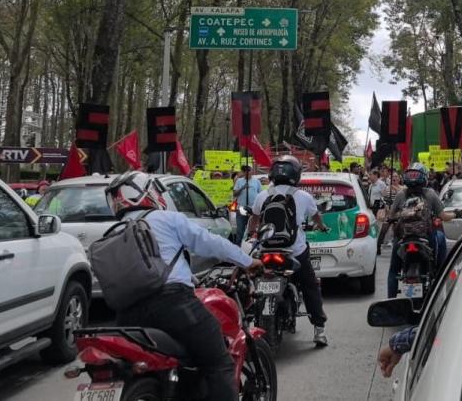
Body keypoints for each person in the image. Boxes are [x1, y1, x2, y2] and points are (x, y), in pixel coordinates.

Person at [105, 172, 263, 401]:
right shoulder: (166, 219)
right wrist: (248, 262)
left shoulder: (115, 231)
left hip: (126, 317)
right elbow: (211, 243)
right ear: (146, 193)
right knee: (219, 363)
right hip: (173, 306)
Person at [247, 155, 332, 347]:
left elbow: (254, 219)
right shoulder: (304, 197)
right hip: (294, 252)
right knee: (310, 285)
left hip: (265, 251)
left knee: (251, 282)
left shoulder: (262, 196)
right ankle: (319, 329)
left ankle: (247, 321)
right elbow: (316, 218)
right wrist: (322, 227)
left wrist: (252, 233)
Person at [386, 163, 453, 298]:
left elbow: (390, 216)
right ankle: (441, 277)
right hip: (426, 237)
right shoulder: (431, 194)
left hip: (403, 238)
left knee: (394, 270)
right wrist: (456, 214)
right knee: (440, 237)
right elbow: (444, 217)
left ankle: (390, 301)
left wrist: (398, 216)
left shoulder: (400, 194)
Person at [232, 165, 261, 242]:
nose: (248, 172)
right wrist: (242, 188)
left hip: (252, 209)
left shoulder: (257, 181)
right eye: (245, 171)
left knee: (252, 230)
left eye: (249, 170)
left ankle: (250, 245)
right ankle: (238, 245)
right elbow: (234, 194)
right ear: (243, 172)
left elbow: (260, 193)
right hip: (241, 208)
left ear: (251, 171)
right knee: (240, 230)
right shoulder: (239, 181)